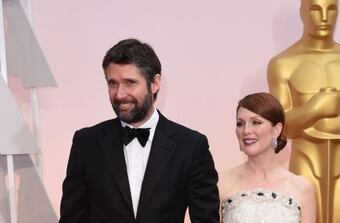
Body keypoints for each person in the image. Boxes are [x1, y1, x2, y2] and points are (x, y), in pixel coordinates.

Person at [59, 38, 220, 223]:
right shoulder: (86, 143)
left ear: (155, 83)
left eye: (130, 83)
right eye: (113, 83)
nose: (119, 94)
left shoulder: (191, 146)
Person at [267, 0, 340, 222]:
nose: (324, 17)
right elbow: (281, 127)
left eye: (331, 9)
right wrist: (315, 108)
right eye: (315, 9)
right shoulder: (284, 64)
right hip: (305, 158)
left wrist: (329, 124)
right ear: (302, 12)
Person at [219, 92, 316, 223]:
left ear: (276, 130)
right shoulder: (221, 183)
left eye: (256, 122)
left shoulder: (302, 187)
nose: (246, 130)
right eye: (240, 123)